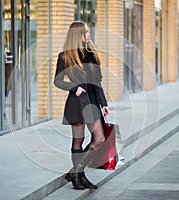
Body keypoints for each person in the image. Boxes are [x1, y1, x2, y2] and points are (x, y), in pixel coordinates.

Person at [54, 21, 109, 190]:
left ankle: (76, 172)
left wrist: (104, 103)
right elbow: (57, 80)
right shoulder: (65, 56)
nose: (88, 34)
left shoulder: (91, 53)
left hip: (92, 102)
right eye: (85, 32)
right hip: (77, 102)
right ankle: (79, 177)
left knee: (99, 138)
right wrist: (73, 88)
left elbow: (98, 82)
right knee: (78, 140)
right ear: (77, 35)